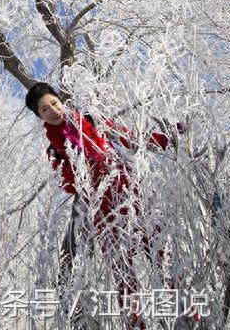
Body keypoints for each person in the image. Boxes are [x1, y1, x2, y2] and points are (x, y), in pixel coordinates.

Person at [25, 82, 177, 329]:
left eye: (54, 103)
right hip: (104, 213)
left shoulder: (91, 120)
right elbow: (69, 186)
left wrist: (166, 139)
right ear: (39, 116)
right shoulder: (55, 150)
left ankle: (186, 317)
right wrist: (76, 159)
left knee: (162, 255)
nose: (53, 110)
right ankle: (136, 324)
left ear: (60, 101)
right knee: (124, 275)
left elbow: (129, 138)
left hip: (130, 194)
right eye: (44, 109)